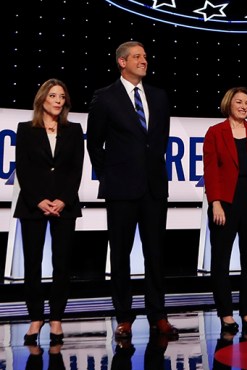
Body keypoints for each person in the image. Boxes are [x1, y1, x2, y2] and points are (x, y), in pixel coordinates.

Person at [87, 40, 178, 340]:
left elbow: (159, 139)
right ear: (122, 62)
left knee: (156, 254)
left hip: (153, 189)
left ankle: (158, 315)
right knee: (121, 255)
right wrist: (110, 174)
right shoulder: (105, 97)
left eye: (145, 56)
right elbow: (94, 143)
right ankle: (124, 317)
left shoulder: (159, 96)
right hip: (120, 189)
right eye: (137, 56)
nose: (144, 60)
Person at [14, 79, 84, 346]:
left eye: (62, 96)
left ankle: (56, 318)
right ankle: (35, 318)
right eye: (53, 95)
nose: (58, 100)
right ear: (42, 99)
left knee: (62, 265)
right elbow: (23, 168)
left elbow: (76, 169)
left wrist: (63, 199)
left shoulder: (74, 130)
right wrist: (39, 200)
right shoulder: (25, 130)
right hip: (33, 206)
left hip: (64, 206)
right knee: (32, 265)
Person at [203, 87, 247, 335]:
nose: (244, 106)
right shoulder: (215, 132)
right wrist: (215, 202)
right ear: (229, 103)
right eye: (239, 101)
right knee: (221, 261)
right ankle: (225, 312)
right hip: (225, 202)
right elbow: (211, 171)